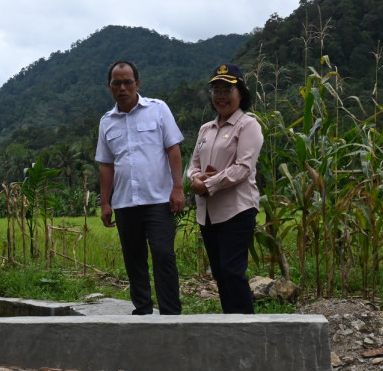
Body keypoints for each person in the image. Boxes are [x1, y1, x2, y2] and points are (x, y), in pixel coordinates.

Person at [95, 60, 184, 315]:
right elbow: (106, 165)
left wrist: (178, 188)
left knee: (163, 253)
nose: (122, 87)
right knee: (134, 259)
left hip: (158, 200)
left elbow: (173, 149)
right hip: (125, 203)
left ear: (137, 84)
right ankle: (143, 310)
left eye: (127, 82)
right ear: (109, 86)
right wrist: (105, 202)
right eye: (117, 83)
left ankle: (170, 312)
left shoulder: (158, 110)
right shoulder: (107, 121)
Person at [187, 64, 264, 314]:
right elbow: (193, 165)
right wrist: (194, 180)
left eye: (227, 90)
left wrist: (205, 185)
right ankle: (230, 322)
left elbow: (243, 168)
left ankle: (245, 327)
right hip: (209, 214)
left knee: (232, 270)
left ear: (241, 93)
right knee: (220, 272)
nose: (220, 96)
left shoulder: (247, 125)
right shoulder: (206, 130)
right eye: (216, 90)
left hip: (237, 211)